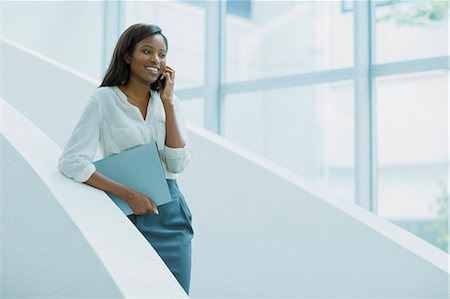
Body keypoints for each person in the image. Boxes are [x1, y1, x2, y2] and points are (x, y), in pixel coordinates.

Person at [58, 23, 194, 294]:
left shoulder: (171, 103)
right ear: (127, 55)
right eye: (147, 51)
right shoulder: (103, 100)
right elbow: (72, 161)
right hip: (127, 213)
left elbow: (177, 164)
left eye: (162, 54)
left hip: (171, 214)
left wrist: (167, 103)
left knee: (174, 292)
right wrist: (128, 194)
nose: (156, 60)